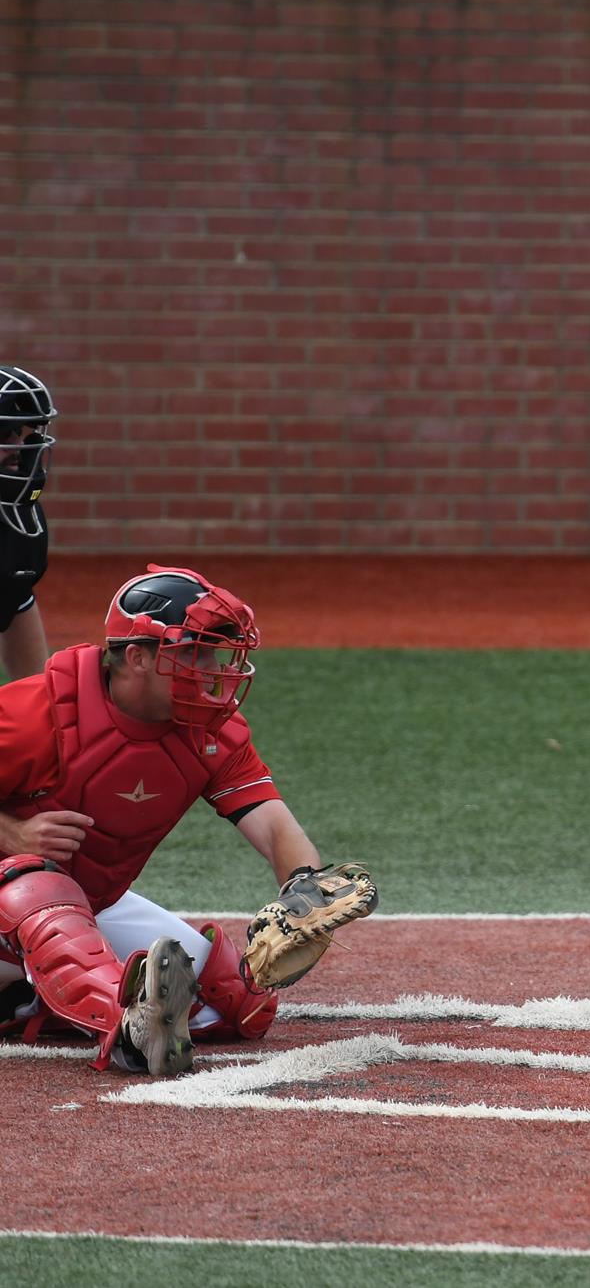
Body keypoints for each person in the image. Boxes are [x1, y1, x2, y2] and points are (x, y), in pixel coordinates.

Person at [0, 565, 342, 1076]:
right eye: (194, 653)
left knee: (235, 1003)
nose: (211, 669)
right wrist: (14, 833)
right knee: (40, 886)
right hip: (24, 901)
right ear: (138, 657)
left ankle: (30, 998)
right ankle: (126, 1027)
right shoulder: (40, 712)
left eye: (213, 654)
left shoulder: (209, 732)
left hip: (80, 907)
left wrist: (304, 888)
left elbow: (274, 826)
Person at [0, 365, 57, 682]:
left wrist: (41, 703)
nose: (19, 446)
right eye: (2, 433)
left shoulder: (18, 522)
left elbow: (33, 682)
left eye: (18, 432)